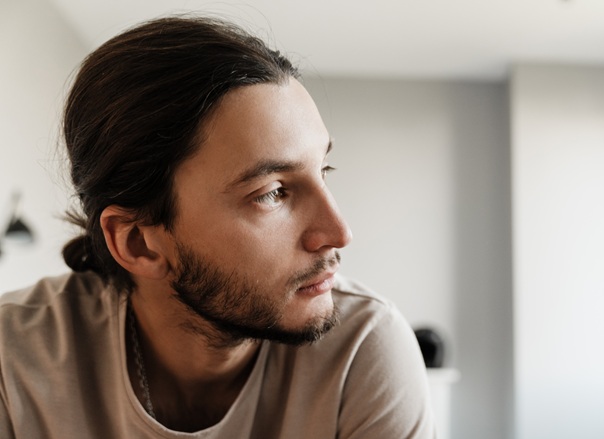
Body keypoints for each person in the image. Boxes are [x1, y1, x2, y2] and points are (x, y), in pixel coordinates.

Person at [0, 15, 435, 438]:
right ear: (139, 244)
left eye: (324, 169)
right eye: (272, 192)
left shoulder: (363, 348)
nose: (339, 233)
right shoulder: (12, 361)